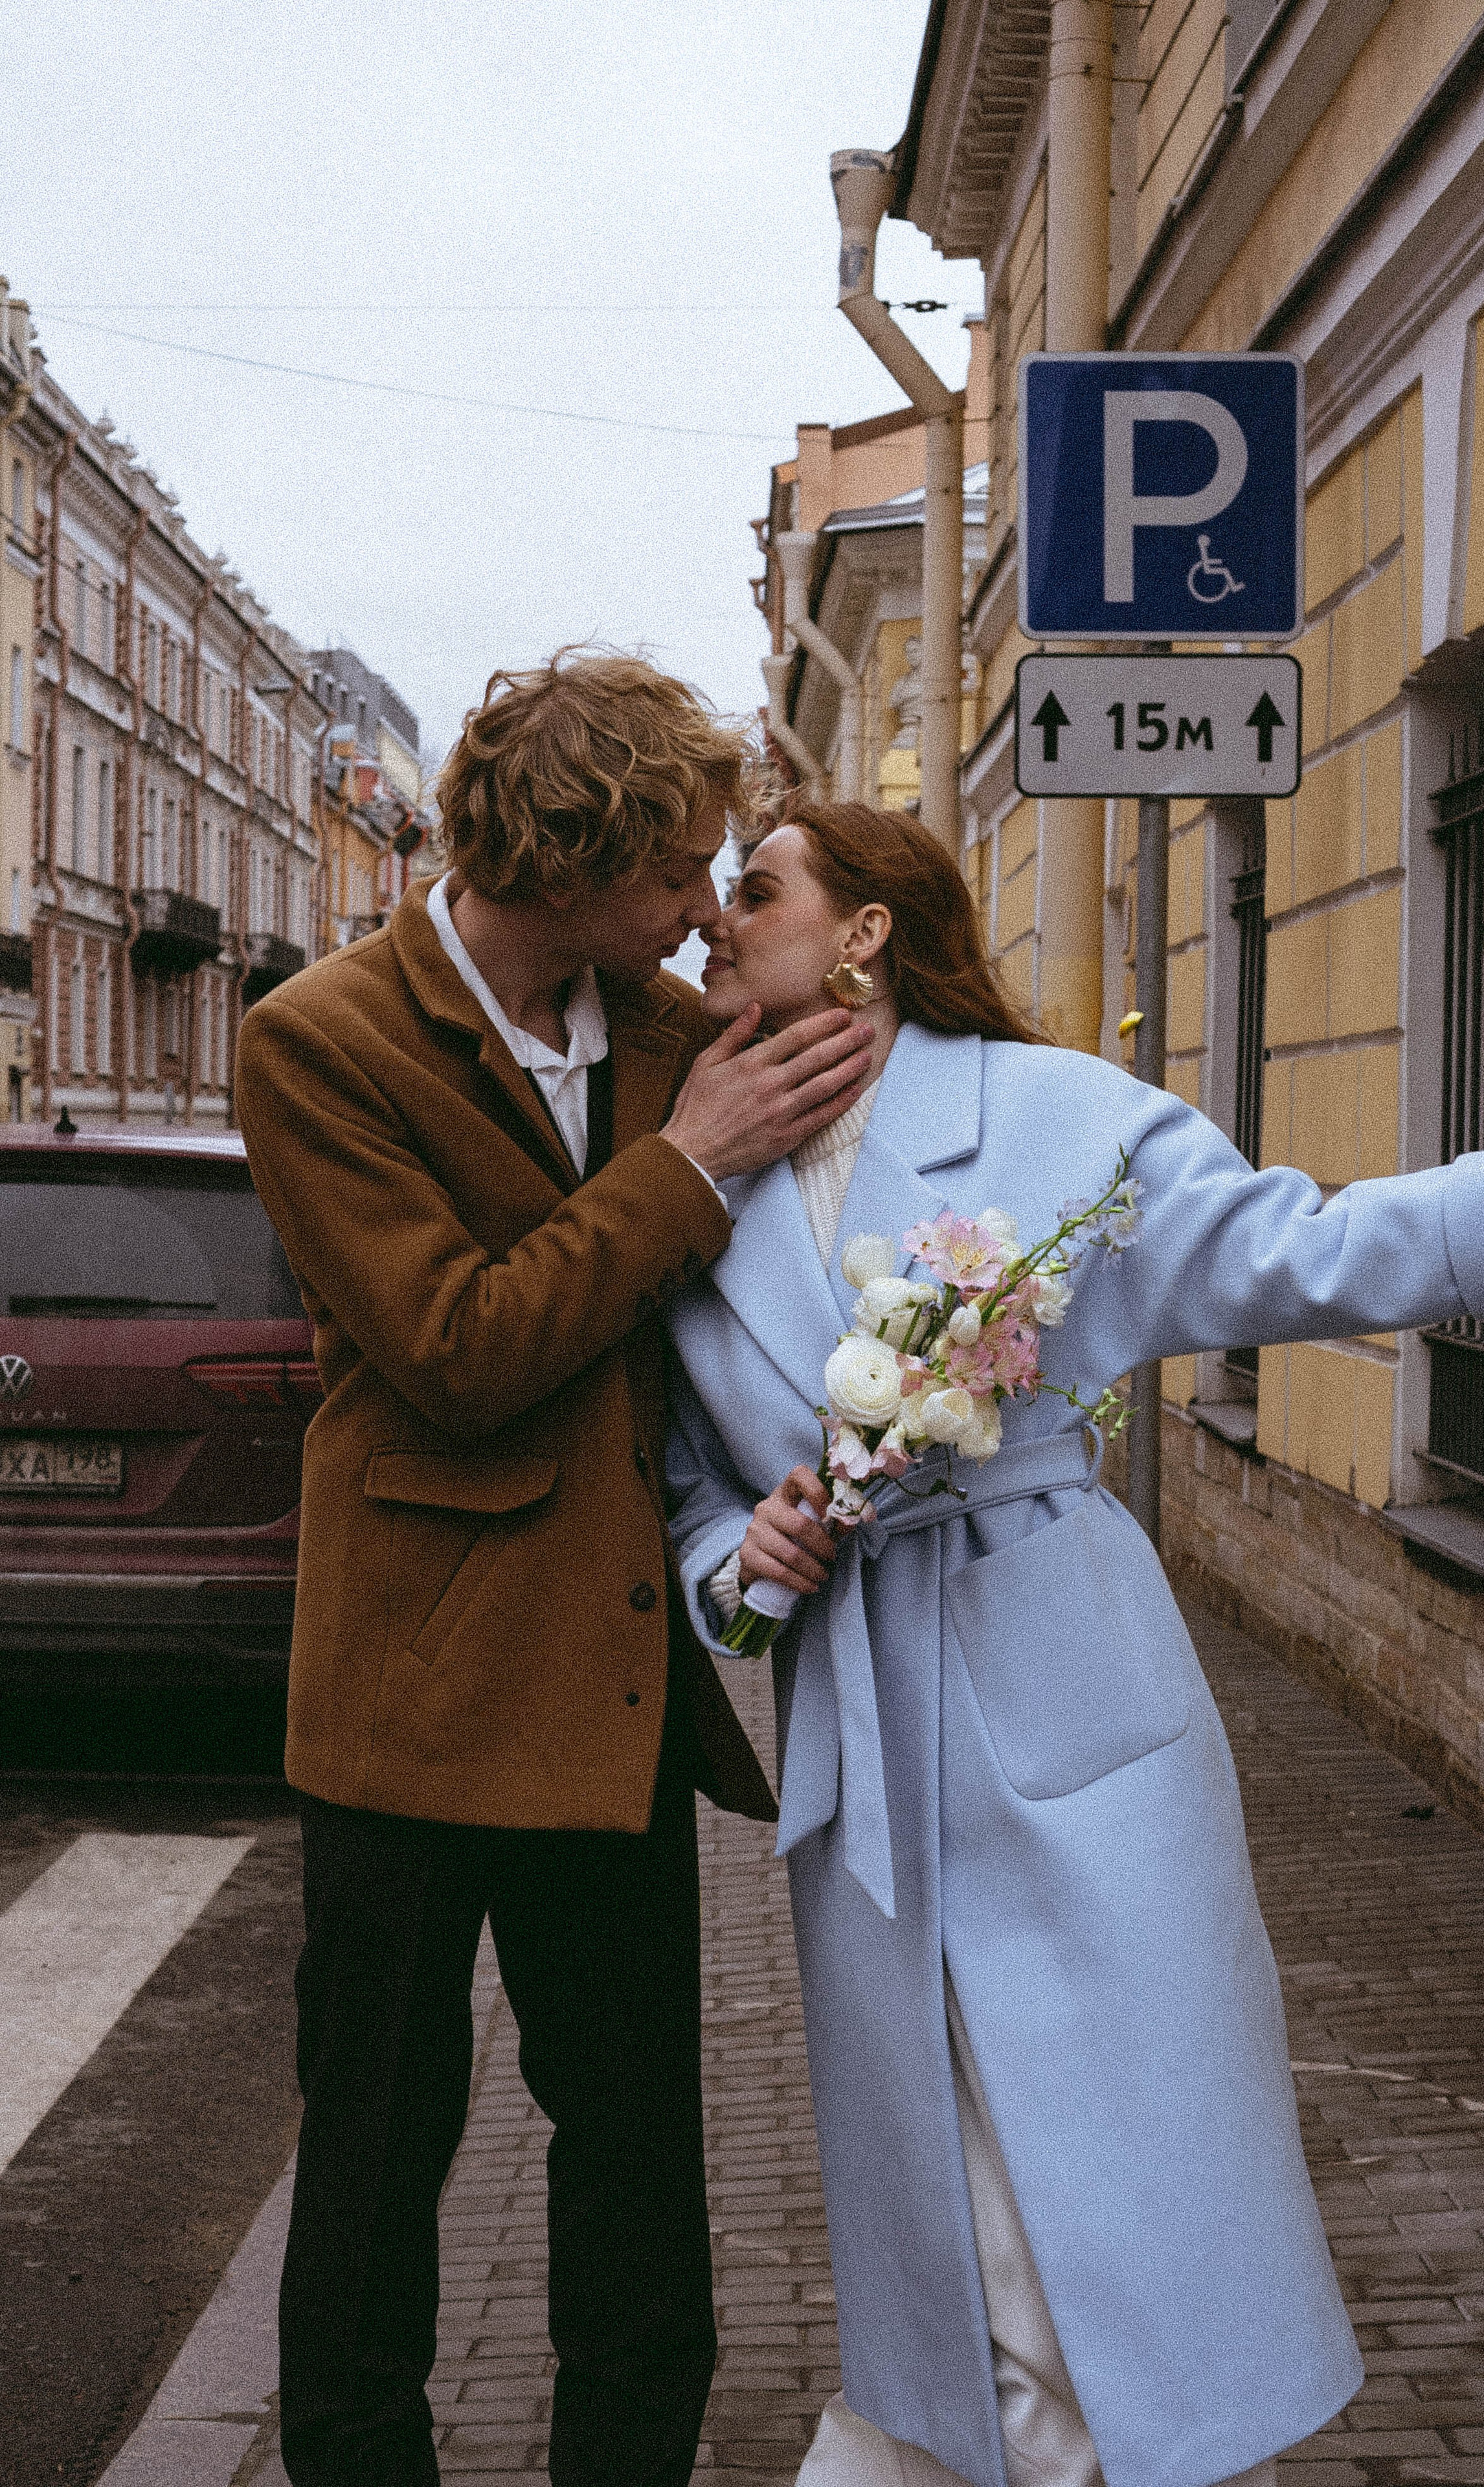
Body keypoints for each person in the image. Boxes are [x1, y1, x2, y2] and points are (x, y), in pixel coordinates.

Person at [666, 798, 1484, 2487]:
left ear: (867, 929)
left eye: (758, 891)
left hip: (1065, 1696)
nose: (717, 923)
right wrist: (759, 1557)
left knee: (1083, 2213)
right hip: (863, 1748)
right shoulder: (694, 1193)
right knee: (961, 2238)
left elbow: (1292, 1249)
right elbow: (688, 1515)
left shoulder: (1046, 1115)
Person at [234, 655, 874, 2487]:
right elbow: (458, 1346)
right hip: (411, 1698)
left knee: (638, 2185)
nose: (699, 911)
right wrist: (684, 1170)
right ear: (579, 850)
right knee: (375, 2164)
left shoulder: (675, 1034)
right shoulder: (320, 1042)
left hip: (609, 1689)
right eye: (680, 869)